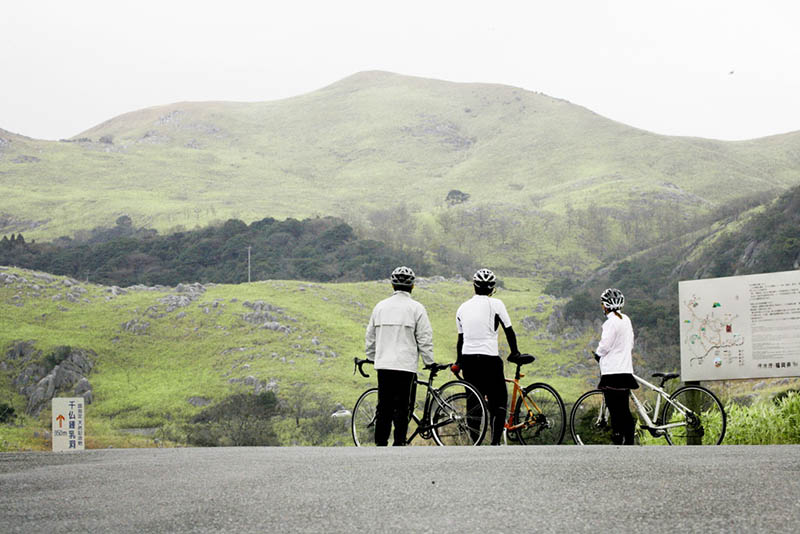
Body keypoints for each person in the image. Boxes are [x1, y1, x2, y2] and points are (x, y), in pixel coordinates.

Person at [365, 266, 434, 446]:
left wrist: (372, 356)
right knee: (403, 406)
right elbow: (424, 338)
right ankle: (399, 443)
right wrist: (429, 361)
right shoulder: (417, 308)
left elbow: (370, 336)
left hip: (384, 364)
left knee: (384, 405)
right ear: (412, 286)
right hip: (405, 365)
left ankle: (380, 443)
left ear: (392, 285)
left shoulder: (379, 307)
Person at [455, 268, 519, 445]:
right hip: (489, 359)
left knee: (473, 402)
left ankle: (475, 441)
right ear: (492, 289)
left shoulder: (462, 308)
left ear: (474, 286)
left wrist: (458, 362)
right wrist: (515, 352)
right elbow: (509, 331)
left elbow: (460, 340)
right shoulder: (497, 304)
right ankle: (495, 441)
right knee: (498, 400)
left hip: (468, 360)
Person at [594, 287, 638, 445]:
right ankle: (629, 439)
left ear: (605, 306)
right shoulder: (626, 320)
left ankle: (618, 437)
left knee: (614, 408)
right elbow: (631, 343)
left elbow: (605, 345)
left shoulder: (610, 323)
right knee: (624, 408)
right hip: (625, 370)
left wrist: (597, 354)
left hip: (612, 372)